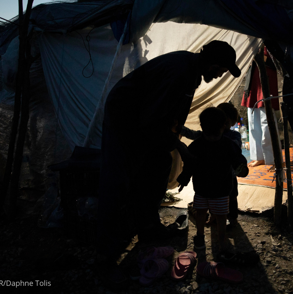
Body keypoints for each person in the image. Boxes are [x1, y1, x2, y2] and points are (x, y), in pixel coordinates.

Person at [96, 41, 242, 287]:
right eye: (221, 71)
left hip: (144, 121)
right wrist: (182, 146)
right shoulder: (182, 70)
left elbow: (166, 115)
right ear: (214, 65)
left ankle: (148, 226)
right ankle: (105, 259)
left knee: (159, 164)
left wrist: (174, 140)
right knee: (118, 181)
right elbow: (152, 118)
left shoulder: (191, 71)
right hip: (125, 119)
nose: (219, 76)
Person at [177, 107, 248, 255]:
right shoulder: (227, 144)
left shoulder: (198, 144)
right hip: (215, 189)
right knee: (214, 215)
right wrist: (242, 169)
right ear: (224, 125)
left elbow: (190, 164)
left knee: (209, 214)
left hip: (208, 189)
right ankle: (211, 238)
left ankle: (209, 238)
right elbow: (238, 161)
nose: (212, 139)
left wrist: (184, 179)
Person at [180, 102, 241, 228]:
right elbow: (191, 134)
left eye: (226, 122)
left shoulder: (231, 137)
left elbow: (236, 151)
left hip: (228, 174)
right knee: (214, 196)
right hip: (210, 175)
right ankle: (215, 217)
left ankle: (232, 218)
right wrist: (179, 128)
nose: (223, 126)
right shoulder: (206, 135)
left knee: (231, 196)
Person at [241, 46, 279, 170]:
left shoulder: (270, 41)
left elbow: (277, 60)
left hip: (266, 78)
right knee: (252, 122)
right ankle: (259, 157)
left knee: (267, 122)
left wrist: (258, 55)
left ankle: (273, 158)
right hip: (252, 81)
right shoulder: (252, 41)